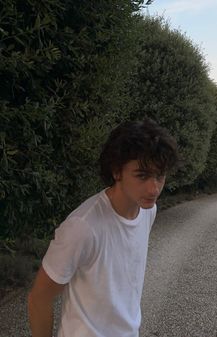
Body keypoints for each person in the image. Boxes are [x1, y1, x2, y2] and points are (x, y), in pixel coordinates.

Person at [28, 118, 179, 337]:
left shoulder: (147, 210)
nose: (154, 187)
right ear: (117, 172)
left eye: (160, 175)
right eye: (142, 175)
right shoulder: (82, 227)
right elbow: (39, 299)